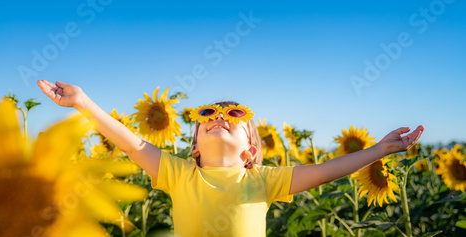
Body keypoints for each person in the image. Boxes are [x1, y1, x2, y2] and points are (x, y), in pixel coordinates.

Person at [37, 79, 425, 237]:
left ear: (252, 150)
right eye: (207, 116)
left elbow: (326, 171)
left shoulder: (263, 180)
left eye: (234, 116)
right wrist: (83, 102)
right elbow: (131, 143)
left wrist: (378, 151)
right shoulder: (178, 174)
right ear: (193, 147)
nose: (218, 118)